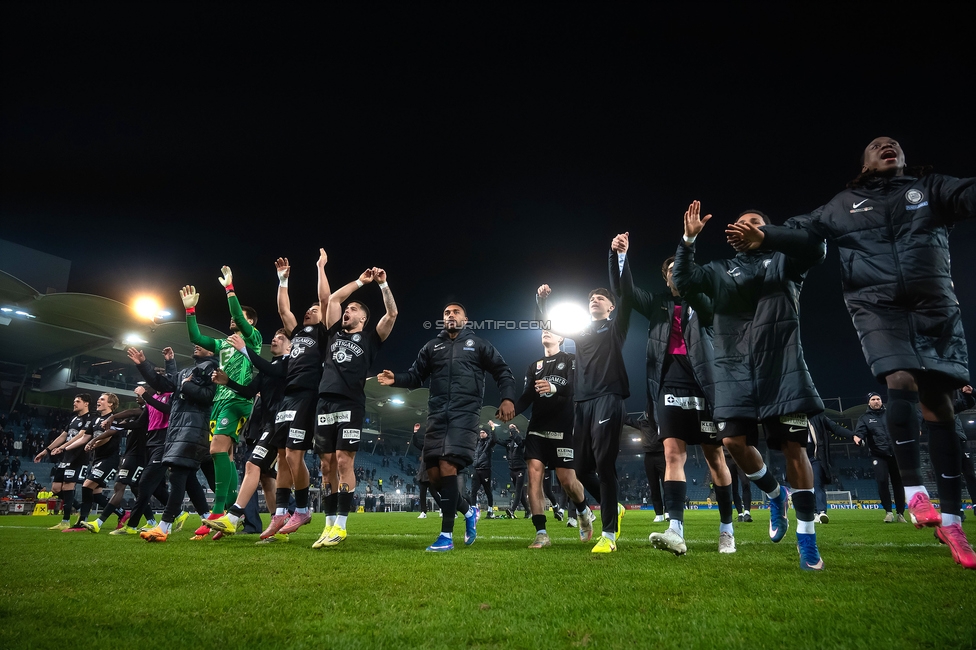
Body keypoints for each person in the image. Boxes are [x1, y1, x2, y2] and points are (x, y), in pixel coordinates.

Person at [729, 137, 976, 569]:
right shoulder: (845, 204)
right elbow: (805, 232)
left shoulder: (930, 188)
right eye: (877, 144)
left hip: (934, 301)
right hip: (876, 302)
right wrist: (766, 235)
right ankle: (916, 494)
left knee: (939, 402)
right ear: (863, 162)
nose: (887, 146)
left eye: (894, 144)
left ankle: (952, 520)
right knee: (899, 379)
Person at [674, 201, 826, 570]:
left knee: (794, 448)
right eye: (740, 223)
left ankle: (807, 539)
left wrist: (769, 237)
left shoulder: (785, 262)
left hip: (782, 364)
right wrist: (688, 241)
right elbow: (683, 281)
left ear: (766, 230)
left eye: (755, 223)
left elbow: (815, 247)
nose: (745, 226)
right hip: (733, 367)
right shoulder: (720, 269)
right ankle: (775, 494)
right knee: (732, 443)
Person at [616, 244, 735, 556]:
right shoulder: (657, 304)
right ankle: (675, 529)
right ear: (666, 280)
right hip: (669, 382)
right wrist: (620, 256)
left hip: (705, 384)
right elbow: (626, 291)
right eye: (670, 273)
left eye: (679, 271)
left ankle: (726, 529)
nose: (675, 276)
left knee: (715, 458)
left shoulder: (705, 302)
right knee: (672, 455)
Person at [378, 302, 516, 552]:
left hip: (465, 414)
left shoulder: (479, 345)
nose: (450, 315)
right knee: (431, 478)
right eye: (446, 313)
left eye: (456, 312)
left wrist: (507, 398)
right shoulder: (432, 347)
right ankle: (468, 511)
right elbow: (415, 375)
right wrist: (396, 379)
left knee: (447, 465)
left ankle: (446, 535)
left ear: (466, 319)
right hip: (437, 415)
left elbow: (502, 371)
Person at [536, 233, 633, 553]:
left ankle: (609, 535)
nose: (595, 300)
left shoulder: (616, 326)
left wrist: (617, 257)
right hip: (583, 400)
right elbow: (547, 323)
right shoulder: (581, 333)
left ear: (612, 307)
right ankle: (612, 505)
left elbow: (626, 290)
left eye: (601, 298)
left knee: (604, 464)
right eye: (591, 298)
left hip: (609, 396)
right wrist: (542, 301)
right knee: (578, 468)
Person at [312, 264, 397, 548]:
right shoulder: (333, 333)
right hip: (325, 401)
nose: (346, 311)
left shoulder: (371, 339)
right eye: (347, 310)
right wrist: (360, 282)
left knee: (344, 460)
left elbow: (392, 314)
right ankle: (327, 525)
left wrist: (382, 286)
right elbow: (333, 300)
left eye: (353, 309)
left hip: (351, 403)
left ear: (363, 317)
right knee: (325, 466)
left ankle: (342, 525)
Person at [182, 266, 262, 528]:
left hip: (237, 400)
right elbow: (195, 336)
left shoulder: (253, 339)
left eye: (242, 318)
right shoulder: (223, 344)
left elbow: (237, 315)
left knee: (216, 448)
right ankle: (231, 512)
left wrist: (229, 289)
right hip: (219, 401)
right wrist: (190, 310)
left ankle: (217, 511)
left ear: (250, 322)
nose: (234, 321)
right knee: (224, 455)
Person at [204, 328, 292, 542]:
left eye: (280, 338)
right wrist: (228, 382)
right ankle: (277, 524)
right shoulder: (267, 369)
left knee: (252, 465)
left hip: (282, 423)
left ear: (290, 347)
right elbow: (248, 392)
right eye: (274, 336)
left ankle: (233, 516)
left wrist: (245, 350)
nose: (274, 339)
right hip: (269, 425)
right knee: (266, 477)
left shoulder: (289, 364)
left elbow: (271, 370)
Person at [512, 329, 595, 548]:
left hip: (562, 429)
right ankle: (541, 533)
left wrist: (553, 386)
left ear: (561, 338)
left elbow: (573, 387)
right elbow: (527, 396)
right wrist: (511, 410)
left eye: (551, 331)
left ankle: (583, 510)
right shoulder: (534, 366)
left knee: (567, 480)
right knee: (534, 477)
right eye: (543, 330)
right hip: (537, 429)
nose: (545, 332)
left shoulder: (570, 360)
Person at [130, 343, 219, 543]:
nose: (196, 345)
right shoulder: (188, 370)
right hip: (179, 428)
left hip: (193, 427)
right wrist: (144, 365)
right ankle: (210, 519)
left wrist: (186, 386)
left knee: (179, 475)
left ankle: (164, 526)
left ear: (212, 351)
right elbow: (164, 384)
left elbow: (207, 396)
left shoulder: (212, 369)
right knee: (185, 478)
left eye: (202, 345)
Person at [34, 394, 94, 530]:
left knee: (68, 487)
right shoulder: (73, 419)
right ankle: (78, 507)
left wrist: (62, 448)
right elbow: (63, 436)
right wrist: (46, 451)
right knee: (55, 489)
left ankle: (65, 520)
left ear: (86, 403)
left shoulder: (90, 418)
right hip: (66, 456)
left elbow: (81, 436)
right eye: (74, 401)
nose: (74, 403)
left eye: (77, 401)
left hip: (78, 457)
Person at [853, 393, 906, 523]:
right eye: (873, 399)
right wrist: (857, 437)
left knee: (898, 483)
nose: (876, 401)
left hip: (895, 454)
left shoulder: (890, 414)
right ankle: (888, 512)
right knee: (882, 481)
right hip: (878, 455)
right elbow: (860, 432)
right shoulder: (864, 418)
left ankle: (900, 513)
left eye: (878, 399)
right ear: (868, 403)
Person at [806, 412, 851, 524]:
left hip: (815, 456)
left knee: (817, 484)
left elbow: (836, 428)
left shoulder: (818, 417)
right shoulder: (791, 416)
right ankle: (813, 512)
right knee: (806, 487)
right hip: (799, 457)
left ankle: (821, 512)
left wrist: (853, 435)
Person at [470, 427, 497, 516]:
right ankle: (473, 511)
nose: (481, 434)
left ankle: (490, 511)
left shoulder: (489, 443)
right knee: (473, 491)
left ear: (487, 434)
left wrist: (493, 428)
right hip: (476, 470)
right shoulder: (477, 443)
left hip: (485, 470)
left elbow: (494, 439)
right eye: (480, 432)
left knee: (487, 490)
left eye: (483, 432)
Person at [502, 423, 528, 518]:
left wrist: (513, 429)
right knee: (520, 493)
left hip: (521, 468)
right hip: (512, 469)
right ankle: (528, 511)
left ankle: (512, 510)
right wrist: (492, 429)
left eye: (513, 430)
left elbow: (519, 442)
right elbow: (496, 440)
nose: (511, 432)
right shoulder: (509, 443)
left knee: (518, 490)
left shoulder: (521, 440)